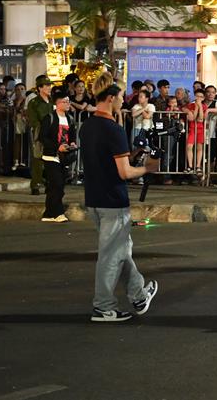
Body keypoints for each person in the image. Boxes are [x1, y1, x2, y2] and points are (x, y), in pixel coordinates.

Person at [80, 73, 159, 323]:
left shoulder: (87, 126)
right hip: (113, 200)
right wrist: (147, 168)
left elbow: (106, 159)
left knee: (120, 250)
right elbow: (124, 172)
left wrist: (133, 153)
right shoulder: (113, 129)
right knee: (111, 257)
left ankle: (138, 294)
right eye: (121, 97)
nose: (123, 101)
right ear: (111, 98)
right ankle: (103, 306)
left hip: (93, 198)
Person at [39, 87, 77, 223]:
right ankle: (58, 213)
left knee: (55, 186)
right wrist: (57, 146)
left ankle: (48, 213)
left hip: (64, 157)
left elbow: (72, 135)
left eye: (68, 101)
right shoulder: (49, 118)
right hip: (51, 156)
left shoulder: (70, 119)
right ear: (57, 103)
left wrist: (72, 143)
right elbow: (42, 137)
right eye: (65, 102)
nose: (68, 104)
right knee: (57, 184)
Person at [26, 75, 54, 195]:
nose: (49, 87)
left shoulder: (52, 101)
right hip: (39, 132)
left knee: (51, 159)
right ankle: (36, 184)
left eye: (49, 85)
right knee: (38, 159)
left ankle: (48, 183)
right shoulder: (34, 103)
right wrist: (41, 130)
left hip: (52, 133)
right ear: (39, 88)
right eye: (46, 85)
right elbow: (33, 120)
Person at [185, 88, 208, 173]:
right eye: (197, 96)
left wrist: (200, 107)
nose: (199, 98)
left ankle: (198, 166)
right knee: (189, 146)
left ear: (203, 98)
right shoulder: (190, 105)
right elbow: (193, 118)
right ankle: (190, 166)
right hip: (192, 129)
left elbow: (201, 119)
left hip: (200, 129)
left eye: (201, 97)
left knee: (199, 147)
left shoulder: (204, 106)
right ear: (194, 96)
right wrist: (197, 108)